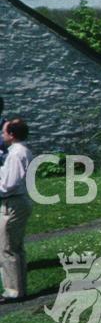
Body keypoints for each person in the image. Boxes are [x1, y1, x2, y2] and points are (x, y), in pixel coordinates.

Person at [0, 115, 31, 302]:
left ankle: (14, 291)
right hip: (16, 202)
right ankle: (17, 289)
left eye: (3, 131)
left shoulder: (16, 154)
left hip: (13, 203)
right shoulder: (17, 152)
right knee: (13, 247)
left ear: (11, 134)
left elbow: (9, 184)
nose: (2, 134)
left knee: (7, 248)